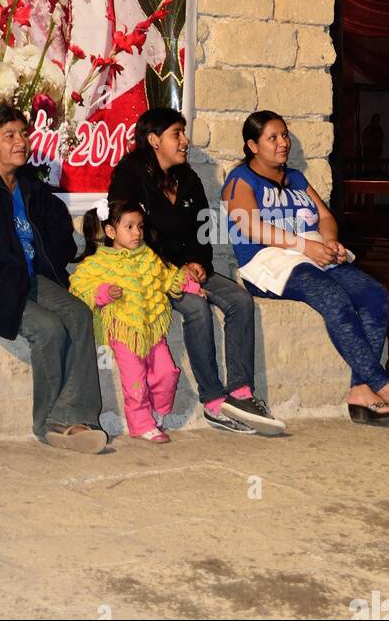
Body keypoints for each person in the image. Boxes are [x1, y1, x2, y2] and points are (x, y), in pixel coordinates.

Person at [0, 104, 108, 452]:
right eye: (10, 135)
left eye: (23, 134)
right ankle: (50, 422)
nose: (21, 142)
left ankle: (75, 415)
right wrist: (5, 274)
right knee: (48, 329)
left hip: (30, 277)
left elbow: (57, 225)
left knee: (79, 315)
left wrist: (55, 250)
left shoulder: (30, 183)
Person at [109, 108, 284, 437]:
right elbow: (130, 235)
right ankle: (214, 400)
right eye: (177, 133)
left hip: (190, 268)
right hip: (147, 273)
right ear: (153, 140)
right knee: (196, 308)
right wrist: (174, 273)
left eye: (183, 133)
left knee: (240, 300)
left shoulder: (187, 178)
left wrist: (198, 263)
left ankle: (241, 392)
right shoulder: (129, 175)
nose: (185, 140)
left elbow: (204, 229)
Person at [222, 110, 389, 428]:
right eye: (272, 138)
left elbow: (325, 216)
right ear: (253, 145)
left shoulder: (296, 177)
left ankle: (360, 391)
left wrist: (330, 242)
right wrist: (306, 247)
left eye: (284, 135)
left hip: (312, 255)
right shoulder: (240, 180)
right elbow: (252, 228)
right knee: (333, 297)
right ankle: (381, 384)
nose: (283, 143)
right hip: (270, 261)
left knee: (373, 294)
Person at [70, 200, 204, 444]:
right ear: (111, 231)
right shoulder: (98, 263)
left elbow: (167, 277)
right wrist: (104, 293)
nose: (137, 233)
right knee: (135, 382)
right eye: (129, 227)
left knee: (167, 372)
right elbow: (81, 287)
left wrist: (190, 285)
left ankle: (158, 413)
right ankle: (141, 424)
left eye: (140, 226)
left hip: (152, 327)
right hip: (125, 331)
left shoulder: (148, 257)